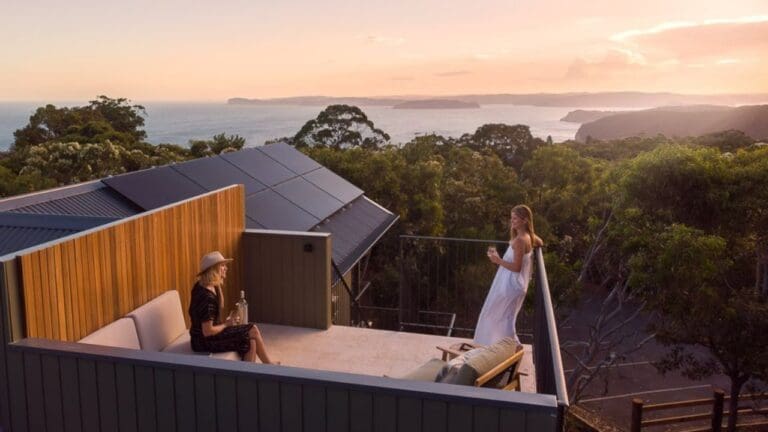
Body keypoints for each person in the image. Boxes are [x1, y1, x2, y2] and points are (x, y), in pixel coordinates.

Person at [189, 251, 278, 364]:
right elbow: (207, 331)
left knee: (250, 340)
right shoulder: (207, 297)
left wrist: (227, 322)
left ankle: (248, 374)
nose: (225, 268)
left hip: (201, 337)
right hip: (202, 341)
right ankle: (268, 365)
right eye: (222, 266)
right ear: (213, 270)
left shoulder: (206, 285)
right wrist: (227, 324)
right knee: (252, 329)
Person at [474, 205, 543, 346]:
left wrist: (497, 260)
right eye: (511, 218)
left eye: (515, 218)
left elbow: (516, 268)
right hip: (515, 285)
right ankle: (501, 347)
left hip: (510, 285)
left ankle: (513, 348)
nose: (512, 221)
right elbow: (540, 242)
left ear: (525, 221)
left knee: (495, 316)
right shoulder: (529, 237)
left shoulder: (520, 241)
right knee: (504, 318)